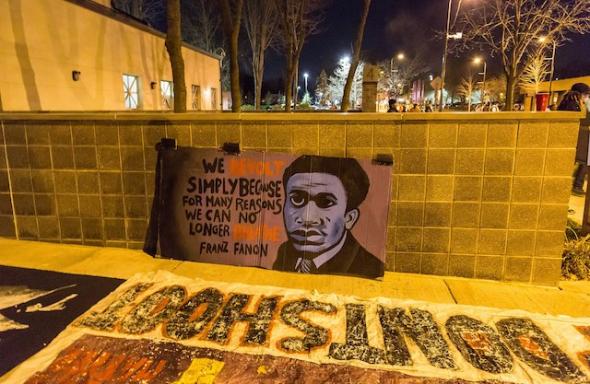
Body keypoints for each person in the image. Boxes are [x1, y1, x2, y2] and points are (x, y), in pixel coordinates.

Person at [272, 156, 384, 278]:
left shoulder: (370, 270)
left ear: (349, 218)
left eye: (325, 202)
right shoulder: (285, 253)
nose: (307, 218)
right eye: (297, 199)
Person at [558, 82, 590, 196]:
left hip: (575, 138)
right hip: (575, 137)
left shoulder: (569, 102)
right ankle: (573, 186)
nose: (587, 97)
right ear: (580, 94)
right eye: (586, 94)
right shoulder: (573, 104)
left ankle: (572, 185)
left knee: (578, 162)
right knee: (576, 161)